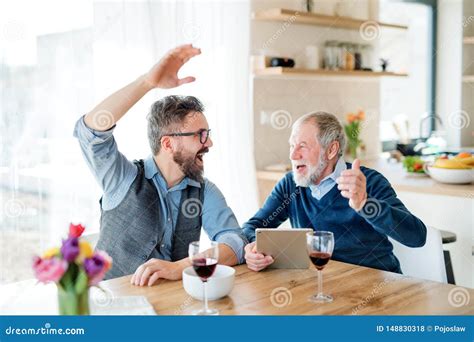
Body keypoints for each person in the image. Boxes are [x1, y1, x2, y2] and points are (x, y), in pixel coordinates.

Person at [73, 44, 247, 285]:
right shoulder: (122, 178)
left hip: (169, 306)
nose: (210, 143)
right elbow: (89, 131)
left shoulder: (204, 191)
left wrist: (181, 267)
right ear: (168, 143)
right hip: (109, 305)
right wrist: (147, 82)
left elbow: (235, 243)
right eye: (201, 135)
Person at [243, 111, 426, 273]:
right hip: (322, 285)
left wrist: (365, 204)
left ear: (331, 150)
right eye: (292, 146)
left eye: (303, 146)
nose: (293, 155)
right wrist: (253, 247)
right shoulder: (290, 185)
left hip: (375, 288)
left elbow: (417, 237)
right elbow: (254, 226)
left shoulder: (367, 182)